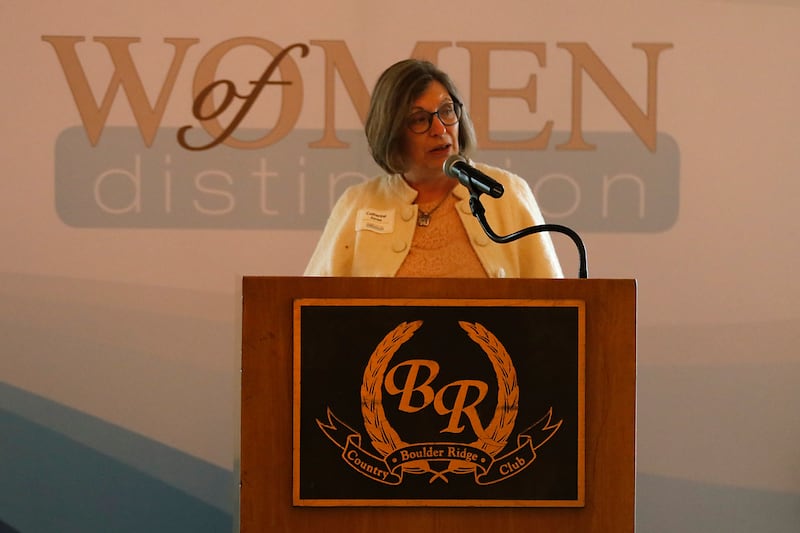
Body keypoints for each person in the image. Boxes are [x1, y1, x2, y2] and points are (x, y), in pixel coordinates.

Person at [304, 59, 563, 278]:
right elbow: (311, 309)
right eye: (419, 119)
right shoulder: (359, 203)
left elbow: (557, 310)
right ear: (391, 130)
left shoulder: (506, 192)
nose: (440, 129)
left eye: (447, 111)